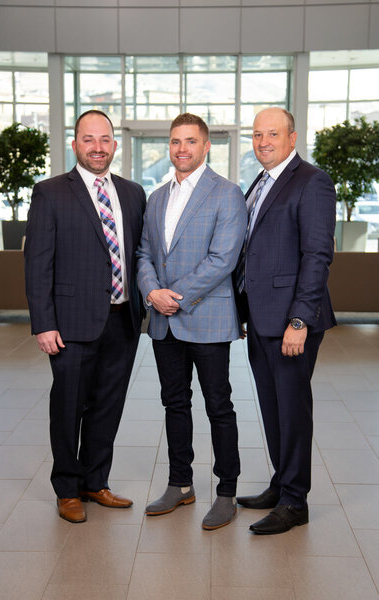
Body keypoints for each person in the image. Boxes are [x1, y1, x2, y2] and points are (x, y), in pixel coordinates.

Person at [24, 110, 146, 523]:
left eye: (105, 139)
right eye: (89, 139)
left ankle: (96, 482)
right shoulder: (51, 192)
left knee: (108, 406)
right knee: (69, 406)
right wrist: (44, 322)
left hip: (123, 320)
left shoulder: (132, 193)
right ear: (75, 144)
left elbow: (138, 256)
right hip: (71, 322)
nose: (98, 147)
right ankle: (67, 489)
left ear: (115, 144)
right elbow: (38, 262)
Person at [137, 113, 247, 530]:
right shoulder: (157, 197)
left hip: (207, 317)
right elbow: (143, 253)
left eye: (190, 141)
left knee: (219, 406)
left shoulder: (227, 193)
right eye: (175, 141)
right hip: (164, 321)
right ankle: (180, 483)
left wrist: (172, 297)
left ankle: (226, 492)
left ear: (206, 147)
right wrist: (152, 292)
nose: (182, 148)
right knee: (174, 403)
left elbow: (223, 259)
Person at [235, 107, 337, 534]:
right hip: (260, 319)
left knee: (292, 411)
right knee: (273, 408)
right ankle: (282, 481)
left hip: (291, 322)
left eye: (273, 134)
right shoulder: (260, 182)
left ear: (292, 138)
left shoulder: (312, 182)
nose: (263, 142)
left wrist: (300, 320)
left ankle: (296, 501)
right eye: (258, 135)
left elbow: (317, 256)